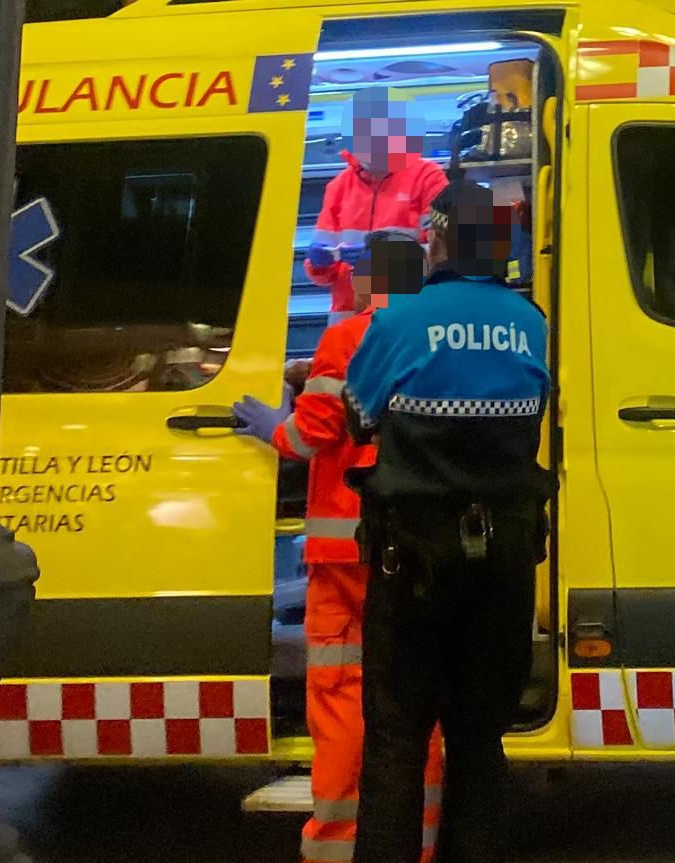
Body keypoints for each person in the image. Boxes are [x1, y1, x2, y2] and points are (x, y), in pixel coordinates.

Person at [344, 184, 553, 863]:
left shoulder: (402, 319)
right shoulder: (531, 322)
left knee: (398, 738)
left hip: (413, 563)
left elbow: (359, 416)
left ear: (436, 241)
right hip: (504, 564)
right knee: (478, 738)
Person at [234, 233, 444, 863]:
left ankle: (337, 845)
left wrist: (275, 423)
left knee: (341, 697)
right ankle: (421, 840)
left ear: (369, 279)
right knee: (417, 698)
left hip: (346, 552)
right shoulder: (441, 338)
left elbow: (310, 436)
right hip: (418, 545)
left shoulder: (349, 335)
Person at [307, 87, 449, 325]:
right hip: (349, 321)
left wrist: (379, 259)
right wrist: (318, 263)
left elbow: (443, 253)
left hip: (407, 317)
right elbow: (322, 273)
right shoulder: (338, 186)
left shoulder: (428, 177)